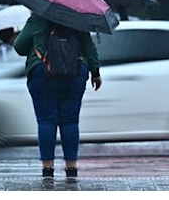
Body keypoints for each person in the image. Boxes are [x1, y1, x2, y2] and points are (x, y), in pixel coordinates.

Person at [13, 13, 102, 180]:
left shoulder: (38, 17)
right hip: (75, 72)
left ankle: (48, 168)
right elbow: (89, 48)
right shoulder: (78, 18)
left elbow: (20, 47)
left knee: (46, 120)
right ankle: (71, 167)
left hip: (42, 72)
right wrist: (95, 73)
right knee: (70, 121)